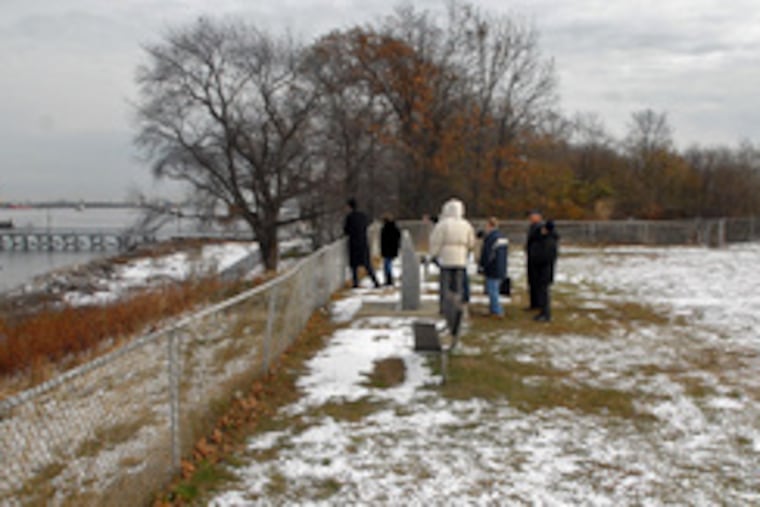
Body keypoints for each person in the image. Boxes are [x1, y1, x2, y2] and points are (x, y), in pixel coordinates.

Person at [429, 198, 475, 314]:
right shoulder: (466, 225)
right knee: (458, 285)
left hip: (446, 259)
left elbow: (436, 241)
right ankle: (457, 307)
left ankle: (445, 307)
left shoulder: (443, 225)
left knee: (445, 285)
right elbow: (471, 242)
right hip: (460, 259)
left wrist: (434, 255)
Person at [344, 198, 380, 288]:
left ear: (349, 207)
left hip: (353, 243)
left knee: (354, 265)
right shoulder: (363, 216)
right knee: (367, 264)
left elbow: (346, 230)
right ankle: (375, 282)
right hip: (363, 242)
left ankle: (355, 283)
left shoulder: (349, 217)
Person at [479, 217, 509, 317]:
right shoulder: (502, 237)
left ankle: (497, 310)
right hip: (501, 266)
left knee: (492, 290)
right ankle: (493, 308)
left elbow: (487, 254)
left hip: (492, 267)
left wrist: (483, 265)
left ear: (490, 226)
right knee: (495, 289)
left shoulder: (491, 238)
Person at [531, 220, 559, 322]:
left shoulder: (549, 242)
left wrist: (536, 258)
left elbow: (545, 257)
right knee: (542, 292)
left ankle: (545, 314)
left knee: (544, 293)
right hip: (542, 270)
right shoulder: (546, 239)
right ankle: (543, 312)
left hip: (544, 271)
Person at [525, 210, 543, 310]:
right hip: (531, 259)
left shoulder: (540, 228)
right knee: (531, 282)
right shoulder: (532, 228)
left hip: (537, 259)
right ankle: (533, 303)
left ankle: (539, 303)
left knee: (538, 283)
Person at [380, 214, 401, 286]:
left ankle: (389, 279)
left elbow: (383, 241)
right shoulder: (395, 228)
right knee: (388, 265)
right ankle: (389, 279)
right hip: (393, 250)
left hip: (387, 250)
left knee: (387, 265)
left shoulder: (385, 229)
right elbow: (398, 238)